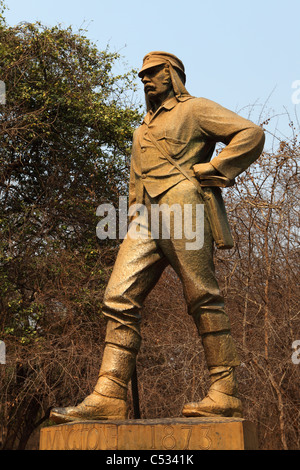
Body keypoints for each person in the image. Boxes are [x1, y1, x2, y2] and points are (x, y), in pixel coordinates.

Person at [50, 51, 265, 423]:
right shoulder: (141, 129)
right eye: (143, 76)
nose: (145, 80)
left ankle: (225, 391)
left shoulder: (195, 109)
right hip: (145, 218)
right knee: (118, 296)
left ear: (172, 74)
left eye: (153, 73)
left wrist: (214, 168)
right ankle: (109, 393)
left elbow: (251, 134)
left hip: (184, 204)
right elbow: (136, 183)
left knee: (202, 294)